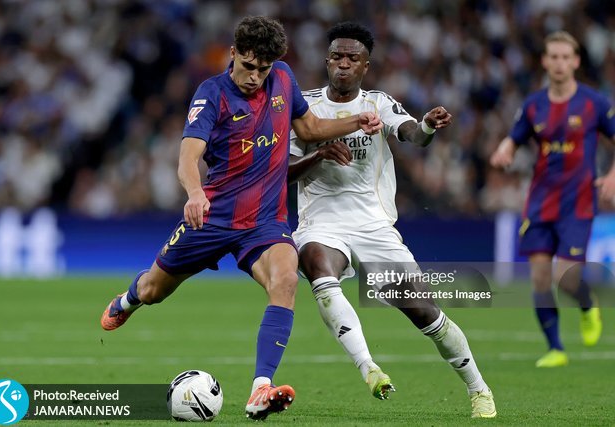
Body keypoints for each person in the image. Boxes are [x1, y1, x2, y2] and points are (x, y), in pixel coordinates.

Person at [99, 16, 383, 420]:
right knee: (153, 291)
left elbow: (309, 127)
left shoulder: (282, 78)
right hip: (213, 217)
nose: (254, 77)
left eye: (262, 69)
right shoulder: (211, 94)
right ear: (233, 53)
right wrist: (195, 193)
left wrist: (356, 120)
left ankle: (260, 388)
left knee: (286, 280)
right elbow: (188, 158)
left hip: (265, 222)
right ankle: (127, 300)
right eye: (248, 66)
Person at [289, 22, 496, 418]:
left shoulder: (378, 103)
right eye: (337, 57)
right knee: (317, 265)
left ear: (365, 66)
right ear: (327, 61)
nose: (343, 64)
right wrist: (319, 154)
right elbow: (282, 172)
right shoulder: (304, 107)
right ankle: (368, 367)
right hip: (321, 219)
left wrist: (427, 126)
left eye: (352, 58)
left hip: (372, 223)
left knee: (424, 313)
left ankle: (479, 388)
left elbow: (413, 134)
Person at [491, 30, 615, 368]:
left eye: (565, 57)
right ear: (545, 61)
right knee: (540, 278)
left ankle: (588, 306)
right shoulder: (534, 105)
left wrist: (612, 176)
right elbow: (514, 137)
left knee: (567, 278)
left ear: (575, 61)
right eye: (554, 57)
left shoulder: (594, 103)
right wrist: (505, 148)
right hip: (540, 200)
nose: (559, 63)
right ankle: (555, 348)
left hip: (578, 202)